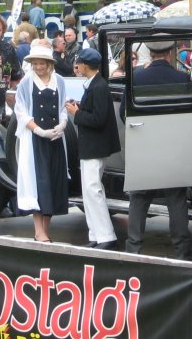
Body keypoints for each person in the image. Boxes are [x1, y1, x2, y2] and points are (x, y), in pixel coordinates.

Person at [127, 38, 192, 260]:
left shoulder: (136, 78)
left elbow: (124, 114)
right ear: (169, 54)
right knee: (176, 199)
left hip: (144, 147)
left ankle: (134, 248)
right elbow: (190, 115)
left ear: (151, 52)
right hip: (172, 148)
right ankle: (181, 250)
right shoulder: (181, 78)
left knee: (139, 198)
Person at [65, 48, 121, 250]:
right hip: (92, 146)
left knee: (93, 190)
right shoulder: (96, 84)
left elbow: (98, 119)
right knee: (89, 191)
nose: (76, 66)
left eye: (78, 63)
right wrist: (80, 108)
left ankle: (106, 235)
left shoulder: (98, 87)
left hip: (95, 146)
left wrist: (76, 113)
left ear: (85, 65)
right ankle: (96, 233)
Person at [14, 42, 69, 242]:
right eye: (35, 63)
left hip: (55, 139)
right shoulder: (26, 83)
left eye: (41, 64)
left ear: (49, 63)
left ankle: (46, 229)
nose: (38, 67)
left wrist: (62, 124)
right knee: (38, 184)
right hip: (35, 141)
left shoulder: (60, 81)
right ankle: (38, 231)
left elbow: (63, 106)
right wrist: (38, 130)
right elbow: (20, 111)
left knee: (53, 183)